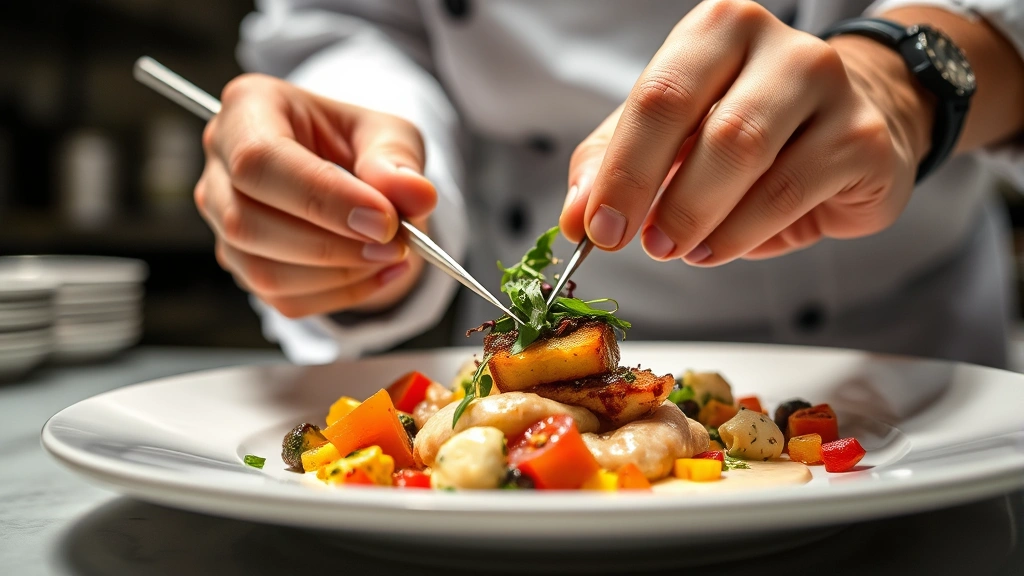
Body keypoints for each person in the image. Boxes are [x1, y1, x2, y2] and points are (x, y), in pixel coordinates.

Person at [196, 0, 1024, 367]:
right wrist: (358, 182)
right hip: (499, 500)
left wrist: (902, 79)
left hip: (910, 370)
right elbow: (358, 28)